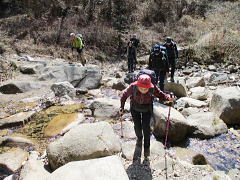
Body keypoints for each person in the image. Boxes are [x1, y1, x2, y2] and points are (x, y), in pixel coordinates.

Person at [119, 74, 174, 158]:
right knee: (137, 126)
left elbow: (160, 94)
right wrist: (121, 107)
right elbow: (124, 96)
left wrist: (168, 98)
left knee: (146, 128)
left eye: (146, 88)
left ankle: (147, 146)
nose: (143, 90)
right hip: (134, 108)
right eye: (141, 88)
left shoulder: (152, 87)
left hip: (147, 109)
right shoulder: (133, 86)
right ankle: (139, 139)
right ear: (138, 85)